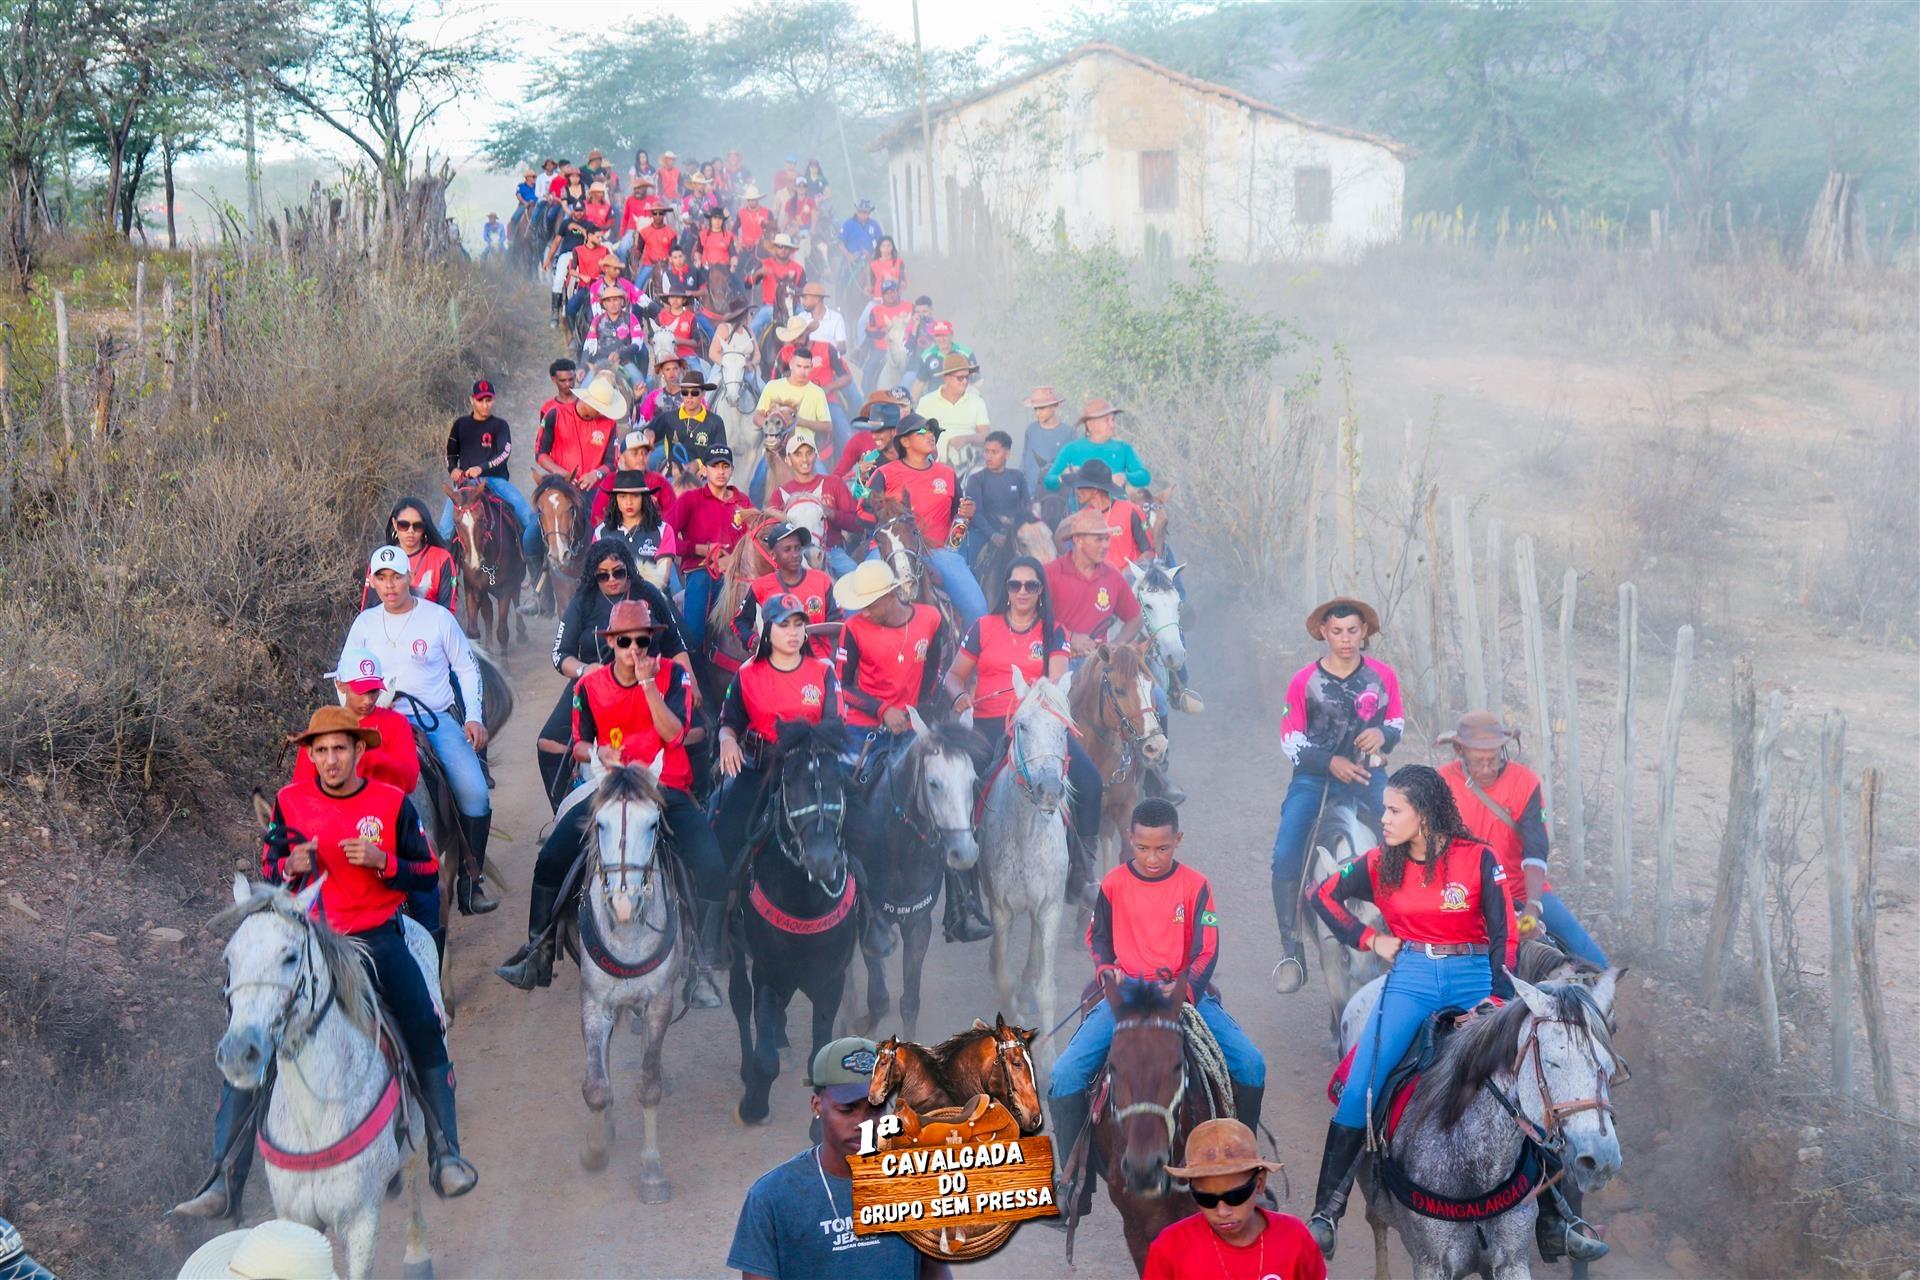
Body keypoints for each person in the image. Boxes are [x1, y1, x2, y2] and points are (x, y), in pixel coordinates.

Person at [1306, 764, 1526, 1261]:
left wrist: (1497, 999)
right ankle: (1327, 1212)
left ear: (1424, 814)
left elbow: (1505, 934)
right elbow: (1321, 895)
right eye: (1384, 809)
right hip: (1410, 980)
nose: (1383, 819)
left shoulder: (1478, 858)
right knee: (1362, 1086)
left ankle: (1560, 1216)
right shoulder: (1379, 862)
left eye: (1393, 810)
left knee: (1529, 1075)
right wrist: (1368, 938)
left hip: (1476, 979)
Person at [269, 707, 477, 1195]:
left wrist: (386, 862)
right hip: (311, 941)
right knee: (257, 1024)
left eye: (340, 749)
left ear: (359, 750)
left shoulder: (391, 802)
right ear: (310, 756)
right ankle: (228, 1168)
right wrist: (288, 867)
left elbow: (426, 873)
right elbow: (268, 867)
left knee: (424, 1024)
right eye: (321, 751)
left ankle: (445, 1151)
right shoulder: (288, 802)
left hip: (376, 936)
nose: (330, 759)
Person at [496, 599, 726, 1007]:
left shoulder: (673, 677)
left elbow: (674, 735)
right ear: (611, 643)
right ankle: (539, 952)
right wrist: (596, 752)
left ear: (652, 640)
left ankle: (701, 968)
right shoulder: (589, 686)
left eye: (642, 641)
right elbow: (579, 743)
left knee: (711, 864)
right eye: (624, 641)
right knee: (551, 858)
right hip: (609, 788)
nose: (634, 649)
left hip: (664, 787)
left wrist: (648, 685)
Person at [1047, 798, 1267, 1191]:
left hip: (1181, 994)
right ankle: (1074, 1181)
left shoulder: (1196, 885)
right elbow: (1098, 937)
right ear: (1130, 838)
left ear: (1178, 840)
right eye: (1143, 848)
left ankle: (1243, 1164)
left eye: (1162, 848)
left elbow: (1207, 948)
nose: (1152, 858)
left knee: (1251, 1065)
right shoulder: (1113, 883)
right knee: (1064, 1075)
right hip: (1128, 995)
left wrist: (1185, 987)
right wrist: (1106, 971)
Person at [831, 560, 991, 944]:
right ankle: (838, 888)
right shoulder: (853, 628)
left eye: (871, 603)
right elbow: (843, 684)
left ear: (891, 595)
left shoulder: (931, 620)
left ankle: (962, 906)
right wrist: (882, 710)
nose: (865, 611)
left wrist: (924, 713)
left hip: (914, 726)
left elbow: (935, 672)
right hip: (864, 729)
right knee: (840, 796)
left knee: (951, 795)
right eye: (861, 605)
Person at [339, 546, 496, 910]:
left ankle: (470, 881)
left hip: (432, 719)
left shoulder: (438, 618)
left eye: (396, 577)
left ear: (410, 577)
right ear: (372, 581)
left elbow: (467, 668)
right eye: (382, 578)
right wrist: (349, 717)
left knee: (476, 794)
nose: (390, 585)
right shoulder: (364, 624)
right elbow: (343, 678)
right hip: (374, 720)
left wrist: (473, 716)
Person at [942, 555, 1104, 893]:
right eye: (1015, 584)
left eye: (1031, 585)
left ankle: (1082, 870)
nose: (1022, 591)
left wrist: (1035, 699)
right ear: (1006, 589)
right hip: (988, 723)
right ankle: (962, 888)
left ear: (1040, 590)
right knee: (959, 787)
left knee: (1090, 780)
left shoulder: (1053, 631)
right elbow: (954, 676)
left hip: (1036, 723)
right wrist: (960, 696)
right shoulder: (983, 627)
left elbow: (1056, 679)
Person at [726, 1037, 947, 1280]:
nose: (863, 1124)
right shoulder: (772, 1198)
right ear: (817, 1106)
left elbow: (936, 1273)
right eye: (847, 1109)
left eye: (875, 1108)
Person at [1268, 598, 1403, 994]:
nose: (1345, 639)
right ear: (1324, 633)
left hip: (1368, 775)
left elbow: (1396, 721)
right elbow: (1290, 741)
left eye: (1353, 631)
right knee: (1286, 850)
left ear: (1365, 632)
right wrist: (1329, 762)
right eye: (1337, 631)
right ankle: (1292, 949)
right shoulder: (1303, 682)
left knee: (1409, 838)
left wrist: (1383, 735)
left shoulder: (1382, 677)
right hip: (1314, 779)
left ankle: (1412, 933)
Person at [290, 647, 459, 927]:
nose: (369, 699)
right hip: (335, 829)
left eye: (373, 691)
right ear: (340, 685)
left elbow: (409, 779)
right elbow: (302, 792)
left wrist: (370, 756)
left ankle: (433, 945)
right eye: (361, 692)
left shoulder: (395, 724)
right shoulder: (321, 731)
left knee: (430, 892)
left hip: (390, 823)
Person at [1437, 711, 1608, 968]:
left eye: (1493, 759)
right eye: (1478, 761)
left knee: (1596, 963)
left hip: (1520, 889)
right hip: (1462, 895)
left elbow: (1535, 847)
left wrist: (1534, 905)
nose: (1487, 768)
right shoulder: (1441, 783)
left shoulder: (1525, 782)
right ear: (1460, 751)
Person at [537, 536, 691, 807]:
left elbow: (675, 643)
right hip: (594, 681)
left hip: (651, 675)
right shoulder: (584, 600)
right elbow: (559, 654)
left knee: (696, 732)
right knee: (548, 743)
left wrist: (693, 682)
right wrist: (585, 669)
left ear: (628, 570)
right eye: (603, 575)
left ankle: (693, 796)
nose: (611, 580)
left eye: (618, 572)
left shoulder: (648, 593)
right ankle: (563, 805)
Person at [711, 593, 839, 865]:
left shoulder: (823, 671)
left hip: (812, 772)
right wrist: (727, 740)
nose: (793, 632)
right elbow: (728, 723)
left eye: (798, 624)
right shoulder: (747, 673)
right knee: (725, 834)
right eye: (784, 625)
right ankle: (724, 892)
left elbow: (833, 727)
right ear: (767, 630)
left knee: (863, 828)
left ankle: (865, 889)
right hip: (760, 770)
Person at [1145, 1119, 1324, 1280]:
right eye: (1206, 1198)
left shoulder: (1294, 1237)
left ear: (1259, 1183)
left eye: (1235, 1196)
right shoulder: (1169, 1248)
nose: (1222, 1212)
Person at [864, 415, 987, 627]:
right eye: (922, 432)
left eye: (932, 432)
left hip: (937, 552)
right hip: (890, 549)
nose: (930, 435)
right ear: (904, 441)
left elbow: (958, 516)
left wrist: (967, 514)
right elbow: (863, 513)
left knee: (978, 610)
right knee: (856, 605)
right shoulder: (884, 473)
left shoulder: (947, 474)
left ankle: (971, 648)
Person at [440, 379, 545, 566]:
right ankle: (447, 574)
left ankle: (536, 565)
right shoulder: (460, 425)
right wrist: (453, 469)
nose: (485, 405)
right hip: (465, 484)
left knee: (526, 516)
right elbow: (450, 453)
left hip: (495, 480)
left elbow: (504, 452)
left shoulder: (500, 425)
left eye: (488, 400)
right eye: (480, 400)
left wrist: (482, 468)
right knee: (444, 529)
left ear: (494, 400)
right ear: (472, 400)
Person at [668, 444, 754, 651]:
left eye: (725, 466)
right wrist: (701, 550)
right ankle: (694, 659)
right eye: (715, 466)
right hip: (701, 571)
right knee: (694, 631)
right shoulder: (690, 499)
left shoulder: (743, 501)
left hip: (738, 573)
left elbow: (755, 539)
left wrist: (733, 560)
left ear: (732, 469)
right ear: (704, 470)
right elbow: (665, 537)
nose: (721, 471)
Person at [770, 428, 859, 577]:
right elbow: (771, 533)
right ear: (788, 460)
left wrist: (831, 513)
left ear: (816, 456)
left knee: (856, 579)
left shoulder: (833, 483)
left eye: (809, 453)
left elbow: (857, 523)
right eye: (798, 454)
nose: (805, 459)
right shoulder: (780, 493)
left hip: (832, 551)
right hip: (793, 555)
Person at [361, 496, 457, 613]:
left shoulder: (442, 559)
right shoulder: (380, 559)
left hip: (429, 623)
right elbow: (368, 609)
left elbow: (447, 611)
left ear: (424, 527)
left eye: (417, 526)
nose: (410, 531)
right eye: (404, 525)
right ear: (394, 524)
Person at [1044, 398, 1151, 497]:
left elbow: (1145, 477)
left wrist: (1125, 477)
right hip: (1081, 510)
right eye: (1106, 420)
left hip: (1117, 509)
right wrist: (1062, 477)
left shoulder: (1123, 449)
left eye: (1113, 420)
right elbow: (1048, 481)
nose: (1112, 425)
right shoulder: (1071, 449)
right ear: (1090, 425)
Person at [1062, 458, 1151, 569]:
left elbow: (1149, 552)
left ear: (1095, 490)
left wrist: (1128, 574)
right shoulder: (1082, 519)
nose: (1076, 491)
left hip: (1131, 578)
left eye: (1080, 486)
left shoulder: (1131, 511)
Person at [958, 430, 1029, 568]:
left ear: (1007, 454)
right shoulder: (976, 479)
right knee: (964, 563)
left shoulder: (1017, 477)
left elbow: (1027, 507)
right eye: (986, 451)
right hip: (982, 533)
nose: (988, 456)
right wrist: (992, 535)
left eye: (994, 452)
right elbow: (975, 514)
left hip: (1014, 532)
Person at [913, 352, 991, 468]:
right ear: (947, 378)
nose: (965, 381)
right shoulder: (927, 402)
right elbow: (917, 433)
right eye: (960, 378)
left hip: (968, 466)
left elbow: (986, 435)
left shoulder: (977, 402)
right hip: (933, 465)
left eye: (967, 377)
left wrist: (966, 439)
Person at [594, 468, 680, 568]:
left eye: (635, 496)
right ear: (615, 499)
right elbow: (596, 570)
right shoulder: (600, 532)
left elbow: (662, 574)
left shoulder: (663, 530)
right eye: (622, 496)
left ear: (644, 498)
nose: (629, 502)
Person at [648, 367, 725, 459]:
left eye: (694, 393)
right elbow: (644, 432)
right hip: (672, 467)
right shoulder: (668, 418)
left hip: (704, 468)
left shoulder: (715, 422)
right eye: (685, 392)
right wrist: (647, 432)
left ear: (703, 394)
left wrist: (699, 464)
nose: (689, 396)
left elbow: (721, 457)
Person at [1018, 386, 1072, 513]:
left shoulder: (1068, 432)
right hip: (1032, 489)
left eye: (1042, 408)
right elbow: (1025, 458)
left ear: (1055, 406)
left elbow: (1073, 464)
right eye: (1036, 409)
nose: (1038, 413)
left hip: (1059, 491)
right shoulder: (1031, 430)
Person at [746, 233, 806, 338]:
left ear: (790, 250)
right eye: (780, 246)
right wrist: (758, 273)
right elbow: (748, 284)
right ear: (775, 249)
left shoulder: (798, 269)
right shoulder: (765, 264)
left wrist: (794, 288)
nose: (783, 250)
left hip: (793, 307)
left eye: (786, 247)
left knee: (808, 322)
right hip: (770, 307)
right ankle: (749, 347)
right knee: (753, 327)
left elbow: (804, 290)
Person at [859, 278, 913, 393]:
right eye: (887, 293)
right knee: (868, 370)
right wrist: (881, 331)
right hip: (882, 348)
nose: (890, 295)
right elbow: (869, 331)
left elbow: (916, 324)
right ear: (882, 295)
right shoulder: (876, 310)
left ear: (897, 292)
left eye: (892, 292)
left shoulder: (909, 307)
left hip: (907, 347)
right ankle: (868, 397)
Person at [909, 320, 976, 398]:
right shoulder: (927, 356)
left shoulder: (966, 353)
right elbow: (919, 383)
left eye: (944, 335)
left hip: (960, 399)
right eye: (938, 336)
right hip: (935, 400)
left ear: (951, 335)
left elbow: (975, 382)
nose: (941, 339)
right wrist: (911, 403)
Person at [733, 184, 773, 258]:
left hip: (762, 249)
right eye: (749, 200)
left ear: (758, 199)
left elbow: (773, 230)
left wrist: (764, 240)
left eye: (753, 199)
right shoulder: (741, 213)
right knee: (739, 265)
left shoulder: (767, 212)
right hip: (745, 249)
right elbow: (734, 230)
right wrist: (737, 243)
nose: (751, 202)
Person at [865, 234, 903, 300]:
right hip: (877, 298)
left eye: (888, 245)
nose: (886, 248)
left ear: (892, 247)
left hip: (893, 299)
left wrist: (892, 279)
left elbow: (903, 283)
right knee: (868, 308)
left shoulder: (899, 263)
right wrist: (868, 289)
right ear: (879, 248)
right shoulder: (873, 264)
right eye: (883, 246)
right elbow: (870, 284)